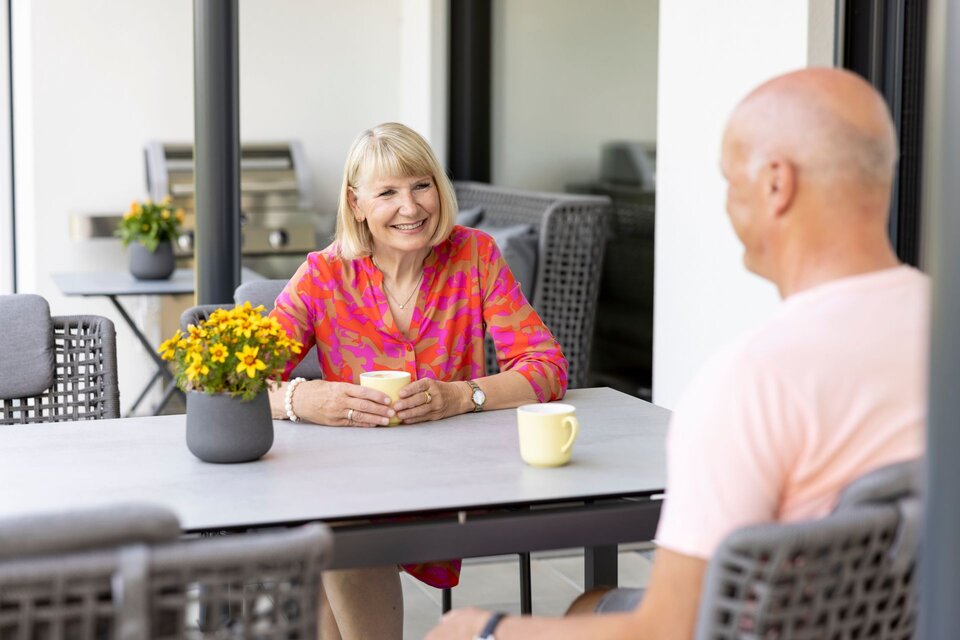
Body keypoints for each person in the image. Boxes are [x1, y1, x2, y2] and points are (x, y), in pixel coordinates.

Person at [428, 67, 929, 640]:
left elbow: (666, 630)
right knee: (592, 602)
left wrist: (487, 628)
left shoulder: (752, 382)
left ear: (775, 184)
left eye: (729, 181)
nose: (727, 204)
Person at [265, 122, 568, 640]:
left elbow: (545, 366)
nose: (411, 207)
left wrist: (462, 395)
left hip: (450, 479)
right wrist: (302, 398)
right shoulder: (322, 275)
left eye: (421, 185)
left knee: (327, 532)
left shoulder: (474, 256)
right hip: (350, 484)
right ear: (356, 203)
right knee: (323, 526)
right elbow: (240, 382)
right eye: (387, 192)